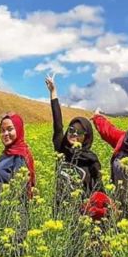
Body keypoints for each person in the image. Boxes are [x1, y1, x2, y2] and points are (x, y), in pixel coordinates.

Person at [46, 75, 110, 220]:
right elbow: (57, 125)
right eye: (71, 130)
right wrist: (53, 93)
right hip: (59, 216)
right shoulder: (61, 149)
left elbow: (99, 191)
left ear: (86, 137)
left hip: (82, 218)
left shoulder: (91, 160)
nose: (74, 134)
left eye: (79, 132)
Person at [0, 112, 36, 198]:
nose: (5, 134)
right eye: (2, 130)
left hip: (10, 209)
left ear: (18, 129)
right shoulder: (7, 153)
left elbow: (18, 192)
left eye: (10, 129)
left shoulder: (20, 156)